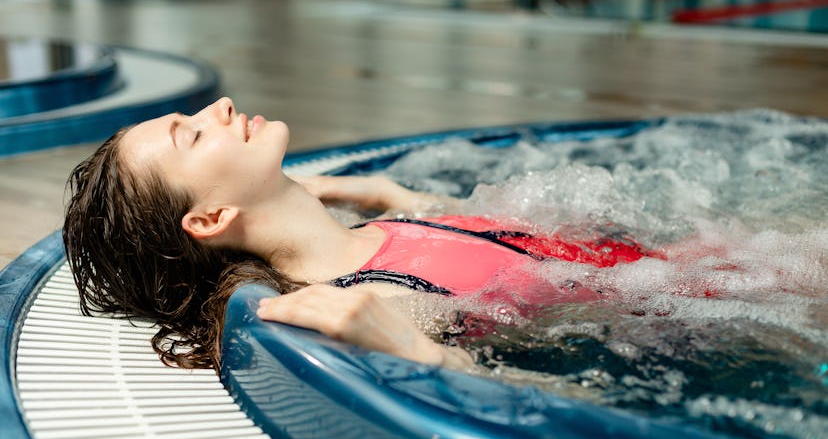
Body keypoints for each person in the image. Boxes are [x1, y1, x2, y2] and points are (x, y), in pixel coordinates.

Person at [63, 97, 659, 372]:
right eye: (191, 135)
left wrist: (388, 196)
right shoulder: (385, 300)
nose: (218, 106)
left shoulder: (377, 231)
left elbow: (496, 237)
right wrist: (424, 356)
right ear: (212, 219)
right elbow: (571, 405)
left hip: (687, 268)